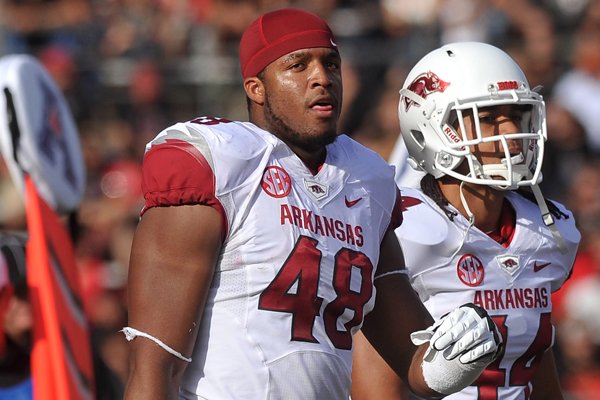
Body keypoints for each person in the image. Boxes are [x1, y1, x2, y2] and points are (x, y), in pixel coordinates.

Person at [123, 10, 502, 400]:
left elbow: (417, 365)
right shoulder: (220, 164)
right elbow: (154, 366)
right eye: (297, 65)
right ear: (257, 88)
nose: (322, 77)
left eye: (331, 63)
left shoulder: (366, 180)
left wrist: (459, 353)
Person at [352, 42, 581, 400]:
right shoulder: (402, 228)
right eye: (489, 118)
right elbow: (374, 383)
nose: (510, 134)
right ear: (434, 127)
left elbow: (535, 359)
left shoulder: (547, 230)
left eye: (515, 115)